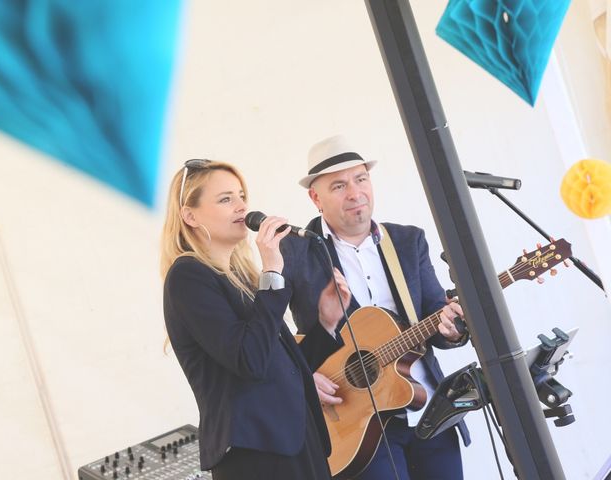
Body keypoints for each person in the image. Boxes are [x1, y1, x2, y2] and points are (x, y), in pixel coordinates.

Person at [281, 135, 471, 480]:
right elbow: (267, 337)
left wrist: (452, 328)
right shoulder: (295, 253)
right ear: (315, 197)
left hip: (427, 410)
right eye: (338, 185)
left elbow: (439, 321)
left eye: (361, 179)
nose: (355, 193)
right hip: (355, 422)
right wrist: (303, 377)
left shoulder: (408, 241)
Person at [161, 158, 352, 480]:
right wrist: (273, 273)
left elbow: (285, 368)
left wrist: (326, 322)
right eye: (225, 199)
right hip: (258, 454)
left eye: (241, 195)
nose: (241, 206)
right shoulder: (188, 275)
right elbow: (248, 360)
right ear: (189, 215)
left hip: (297, 441)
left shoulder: (244, 277)